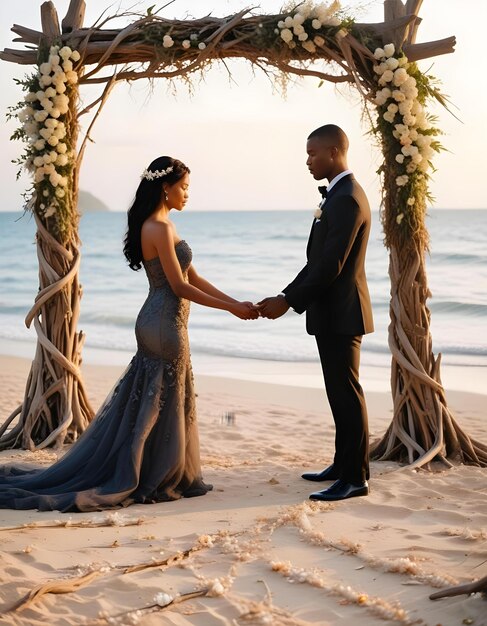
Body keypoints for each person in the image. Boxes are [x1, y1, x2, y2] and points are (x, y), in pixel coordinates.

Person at [0, 156, 258, 512]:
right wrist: (231, 309)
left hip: (159, 321)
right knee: (160, 400)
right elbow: (180, 286)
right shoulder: (160, 228)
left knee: (153, 401)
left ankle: (154, 469)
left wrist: (236, 302)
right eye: (184, 187)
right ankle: (155, 475)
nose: (187, 194)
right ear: (165, 188)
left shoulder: (162, 224)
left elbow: (193, 277)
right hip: (164, 324)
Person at [258, 124, 374, 502]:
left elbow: (331, 265)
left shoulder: (347, 199)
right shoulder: (337, 195)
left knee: (346, 393)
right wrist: (285, 293)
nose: (308, 161)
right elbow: (318, 261)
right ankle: (343, 465)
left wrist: (288, 301)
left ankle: (355, 479)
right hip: (331, 311)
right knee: (338, 392)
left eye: (313, 153)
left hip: (342, 312)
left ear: (335, 151)